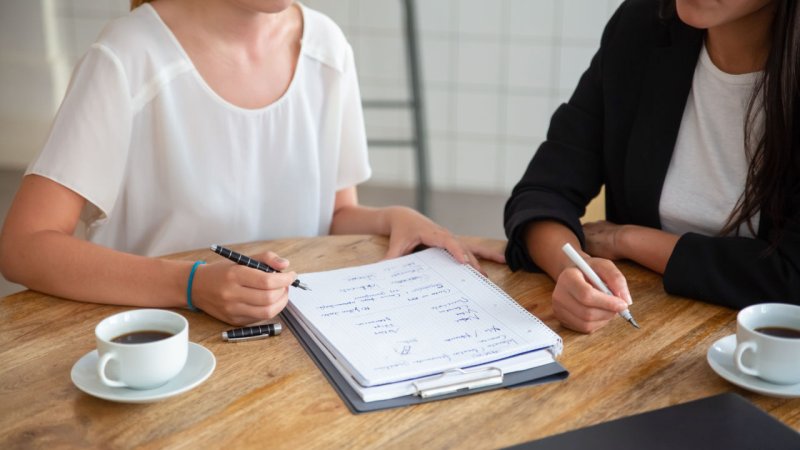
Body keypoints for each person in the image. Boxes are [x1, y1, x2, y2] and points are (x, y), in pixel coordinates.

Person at [0, 0, 504, 326]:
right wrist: (192, 284)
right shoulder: (129, 56)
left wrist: (395, 218)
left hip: (287, 350)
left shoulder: (327, 48)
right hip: (157, 348)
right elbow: (24, 247)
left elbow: (329, 216)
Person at [504, 0, 800, 333]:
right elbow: (543, 191)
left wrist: (627, 239)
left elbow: (791, 278)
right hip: (641, 332)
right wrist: (573, 270)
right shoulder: (644, 24)